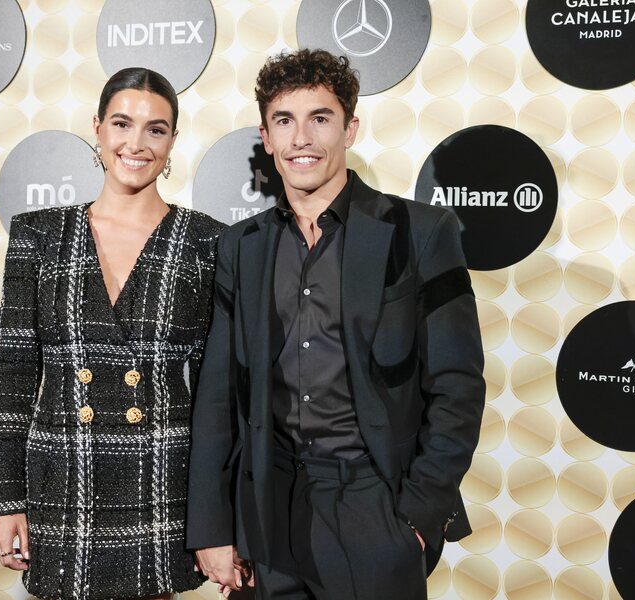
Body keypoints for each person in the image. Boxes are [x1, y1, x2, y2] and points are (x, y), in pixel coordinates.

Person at [187, 49, 485, 600]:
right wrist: (212, 525)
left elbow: (458, 386)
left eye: (320, 118)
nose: (301, 138)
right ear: (266, 137)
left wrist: (417, 518)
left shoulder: (420, 231)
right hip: (267, 510)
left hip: (374, 506)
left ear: (349, 129)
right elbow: (217, 395)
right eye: (285, 121)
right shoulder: (241, 246)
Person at [0, 67, 223, 599]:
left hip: (160, 480)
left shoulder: (208, 241)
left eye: (155, 129)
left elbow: (219, 398)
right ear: (97, 128)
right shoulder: (38, 234)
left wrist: (218, 517)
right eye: (121, 123)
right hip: (63, 478)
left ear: (172, 140)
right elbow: (14, 378)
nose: (136, 143)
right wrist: (8, 500)